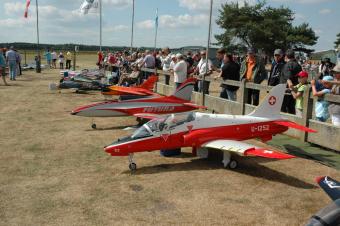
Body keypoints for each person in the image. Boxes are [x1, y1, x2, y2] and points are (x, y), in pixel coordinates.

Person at [280, 49, 302, 114]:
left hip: (286, 91)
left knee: (282, 109)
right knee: (291, 109)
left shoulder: (287, 65)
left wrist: (291, 87)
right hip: (295, 90)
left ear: (286, 56)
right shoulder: (298, 65)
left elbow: (288, 79)